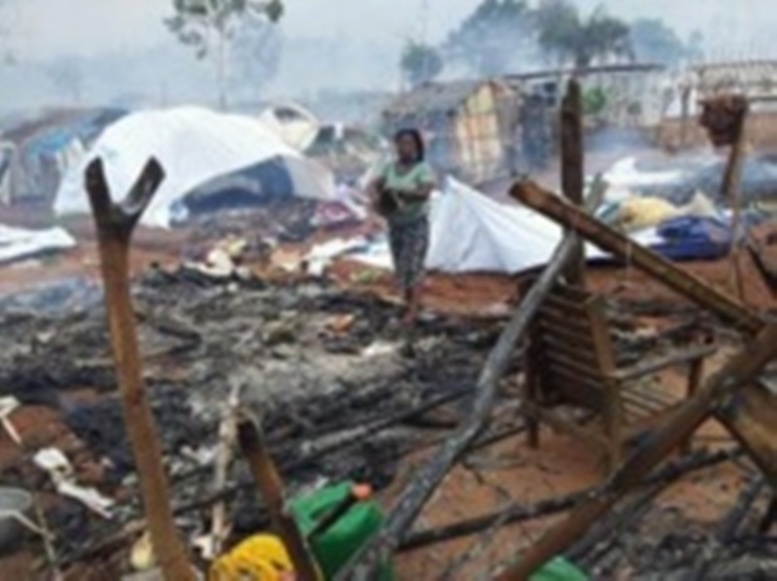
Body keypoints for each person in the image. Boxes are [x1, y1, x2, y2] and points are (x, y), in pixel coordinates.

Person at [369, 128, 436, 327]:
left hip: (415, 224)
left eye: (409, 143)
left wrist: (400, 192)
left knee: (414, 266)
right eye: (401, 143)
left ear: (416, 146)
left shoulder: (422, 169)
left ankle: (412, 312)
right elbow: (375, 185)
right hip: (396, 224)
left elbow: (424, 192)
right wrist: (376, 198)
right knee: (401, 266)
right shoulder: (389, 168)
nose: (404, 147)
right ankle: (408, 304)